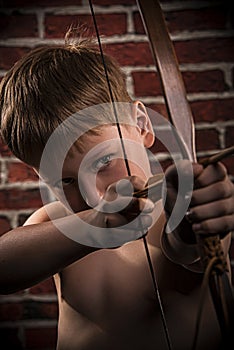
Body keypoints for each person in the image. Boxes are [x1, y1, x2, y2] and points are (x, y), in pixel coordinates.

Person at [0, 30, 233, 350]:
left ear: (141, 125)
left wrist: (194, 228)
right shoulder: (56, 224)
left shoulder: (184, 204)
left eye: (105, 160)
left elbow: (188, 251)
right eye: (64, 182)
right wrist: (96, 225)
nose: (93, 196)